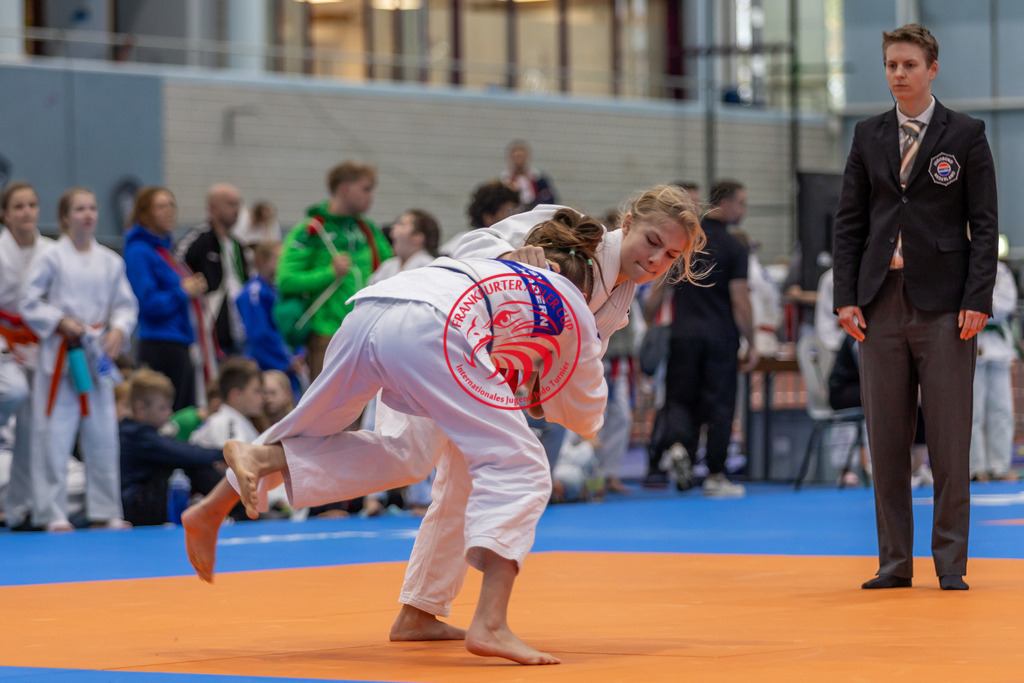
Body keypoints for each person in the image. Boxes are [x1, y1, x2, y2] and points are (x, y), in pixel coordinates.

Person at [182, 210, 612, 665]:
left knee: (370, 442)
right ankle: (491, 622)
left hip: (373, 310)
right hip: (430, 332)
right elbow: (587, 413)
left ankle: (218, 501)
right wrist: (547, 392)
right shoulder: (568, 296)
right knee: (520, 465)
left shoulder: (494, 260)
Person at [369, 185, 704, 646]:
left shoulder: (620, 296)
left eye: (670, 255)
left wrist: (544, 393)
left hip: (487, 372)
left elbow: (568, 360)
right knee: (402, 457)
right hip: (442, 339)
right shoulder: (563, 226)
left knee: (460, 485)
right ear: (627, 224)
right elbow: (467, 251)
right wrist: (510, 255)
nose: (655, 260)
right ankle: (272, 458)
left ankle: (419, 613)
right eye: (651, 242)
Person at [833, 24, 998, 591]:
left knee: (950, 439)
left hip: (946, 306)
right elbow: (849, 222)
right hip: (880, 302)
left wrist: (978, 298)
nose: (897, 74)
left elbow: (986, 223)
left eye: (908, 64)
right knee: (887, 438)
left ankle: (950, 563)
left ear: (932, 69)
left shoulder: (967, 133)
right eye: (889, 65)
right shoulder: (868, 133)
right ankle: (893, 562)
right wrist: (845, 296)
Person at [20, 188, 139, 531]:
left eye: (92, 207)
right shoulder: (52, 257)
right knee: (54, 433)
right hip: (61, 352)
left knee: (103, 432)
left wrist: (118, 328)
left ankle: (105, 509)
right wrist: (59, 320)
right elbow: (29, 301)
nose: (88, 214)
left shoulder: (110, 261)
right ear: (64, 218)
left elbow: (126, 305)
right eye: (79, 209)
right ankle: (50, 511)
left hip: (98, 352)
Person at [647, 179, 757, 497]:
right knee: (720, 405)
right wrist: (752, 340)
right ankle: (716, 474)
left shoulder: (685, 241)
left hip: (682, 336)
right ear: (725, 203)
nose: (744, 210)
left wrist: (647, 318)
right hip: (720, 338)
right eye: (741, 203)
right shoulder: (736, 247)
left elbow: (658, 285)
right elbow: (740, 298)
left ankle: (680, 447)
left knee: (680, 399)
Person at [275, 161, 392, 382]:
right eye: (366, 189)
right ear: (344, 189)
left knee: (366, 412)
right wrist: (329, 273)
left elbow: (392, 269)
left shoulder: (367, 230)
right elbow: (286, 280)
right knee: (328, 411)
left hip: (368, 333)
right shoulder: (310, 230)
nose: (371, 196)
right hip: (328, 334)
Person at [124, 186, 210, 411]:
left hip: (179, 341)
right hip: (160, 343)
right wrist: (183, 291)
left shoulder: (166, 251)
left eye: (172, 205)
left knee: (184, 411)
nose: (169, 211)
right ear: (144, 214)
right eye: (161, 207)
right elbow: (147, 303)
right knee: (168, 414)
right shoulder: (139, 252)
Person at [0, 182, 55, 530]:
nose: (27, 212)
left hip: (40, 343)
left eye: (32, 205)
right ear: (5, 214)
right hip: (3, 342)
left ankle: (20, 508)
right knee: (13, 391)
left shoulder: (51, 251)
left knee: (33, 431)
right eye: (18, 206)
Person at [119, 368, 224, 526]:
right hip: (137, 506)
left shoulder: (135, 432)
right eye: (162, 408)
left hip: (139, 500)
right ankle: (238, 508)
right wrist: (224, 453)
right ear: (141, 409)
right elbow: (182, 452)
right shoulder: (137, 435)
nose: (169, 412)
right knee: (190, 466)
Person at [176, 183, 250, 356]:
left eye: (239, 203)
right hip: (209, 330)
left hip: (239, 331)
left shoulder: (239, 246)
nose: (237, 209)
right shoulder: (198, 240)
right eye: (231, 204)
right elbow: (176, 266)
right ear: (213, 208)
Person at [969, 240, 1019, 482]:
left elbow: (1005, 304)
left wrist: (980, 305)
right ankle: (975, 467)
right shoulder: (964, 268)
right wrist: (979, 305)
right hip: (972, 343)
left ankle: (999, 466)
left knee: (1002, 409)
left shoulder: (1003, 272)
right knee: (973, 410)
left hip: (999, 349)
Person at [236, 242, 302, 397]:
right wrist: (286, 361)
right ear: (261, 262)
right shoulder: (254, 293)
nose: (284, 264)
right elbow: (259, 335)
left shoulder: (278, 290)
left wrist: (299, 354)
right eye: (278, 259)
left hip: (286, 365)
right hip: (265, 365)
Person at [439, 181, 521, 256]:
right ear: (488, 217)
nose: (515, 216)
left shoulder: (521, 247)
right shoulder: (456, 247)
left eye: (516, 210)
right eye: (508, 211)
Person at [368, 209, 440, 285]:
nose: (393, 227)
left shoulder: (429, 267)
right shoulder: (388, 266)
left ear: (417, 236)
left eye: (401, 224)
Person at [501, 140, 557, 210]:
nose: (519, 161)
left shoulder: (539, 179)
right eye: (516, 157)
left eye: (521, 157)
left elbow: (549, 200)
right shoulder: (504, 181)